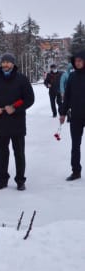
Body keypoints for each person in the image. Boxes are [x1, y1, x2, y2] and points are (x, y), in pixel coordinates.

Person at [0, 53, 34, 191]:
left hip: (17, 122)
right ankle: (2, 179)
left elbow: (29, 99)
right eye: (4, 62)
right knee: (2, 153)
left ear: (13, 64)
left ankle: (20, 180)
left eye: (8, 62)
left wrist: (15, 108)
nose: (5, 64)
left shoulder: (22, 79)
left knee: (19, 153)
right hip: (0, 122)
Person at [59, 50, 85, 181]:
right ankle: (76, 171)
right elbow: (67, 96)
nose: (77, 63)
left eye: (80, 60)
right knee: (75, 145)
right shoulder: (72, 77)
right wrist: (63, 113)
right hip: (76, 116)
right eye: (76, 61)